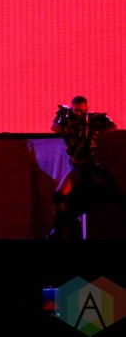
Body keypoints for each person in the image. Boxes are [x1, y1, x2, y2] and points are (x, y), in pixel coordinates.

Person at [46, 95, 120, 240]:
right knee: (58, 197)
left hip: (92, 166)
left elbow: (112, 127)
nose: (79, 114)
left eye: (82, 111)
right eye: (76, 111)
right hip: (76, 169)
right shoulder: (67, 120)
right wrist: (64, 120)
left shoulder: (91, 120)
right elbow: (54, 127)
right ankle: (58, 231)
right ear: (72, 109)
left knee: (114, 193)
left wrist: (93, 128)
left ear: (87, 109)